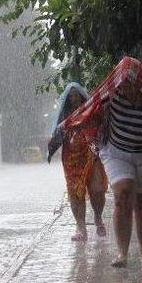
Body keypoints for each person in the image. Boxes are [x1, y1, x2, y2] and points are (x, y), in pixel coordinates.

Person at [49, 57, 142, 269]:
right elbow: (89, 112)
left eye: (133, 84)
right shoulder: (111, 95)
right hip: (117, 152)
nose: (129, 88)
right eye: (125, 84)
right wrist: (69, 126)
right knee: (123, 194)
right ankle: (122, 253)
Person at [48, 83, 108, 241]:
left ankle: (98, 218)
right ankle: (80, 227)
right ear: (67, 99)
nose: (74, 99)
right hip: (71, 158)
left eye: (76, 95)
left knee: (97, 189)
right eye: (71, 96)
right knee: (75, 193)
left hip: (91, 152)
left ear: (82, 95)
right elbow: (57, 133)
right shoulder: (64, 115)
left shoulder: (91, 109)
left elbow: (102, 126)